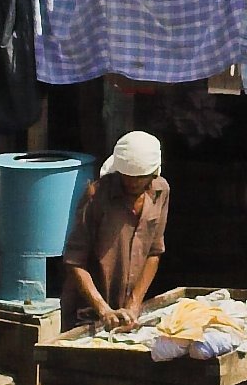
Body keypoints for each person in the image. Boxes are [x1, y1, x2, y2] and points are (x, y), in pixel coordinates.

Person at [54, 130, 170, 326]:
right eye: (128, 176)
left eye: (140, 177)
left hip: (128, 315)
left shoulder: (161, 192)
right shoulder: (96, 196)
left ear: (153, 173)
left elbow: (154, 252)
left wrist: (134, 305)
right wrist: (103, 309)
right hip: (87, 314)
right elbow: (74, 261)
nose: (133, 182)